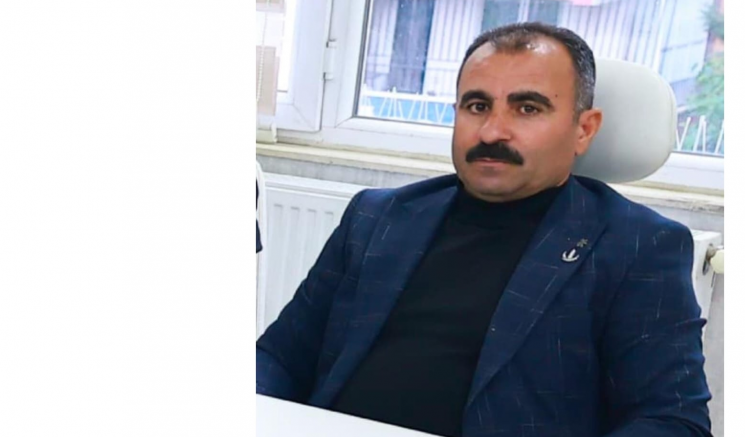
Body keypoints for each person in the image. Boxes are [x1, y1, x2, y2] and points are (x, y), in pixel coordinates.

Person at [256, 22, 712, 437]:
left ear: (584, 129)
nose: (492, 132)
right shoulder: (377, 216)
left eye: (527, 108)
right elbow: (278, 358)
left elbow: (673, 422)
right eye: (477, 106)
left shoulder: (638, 246)